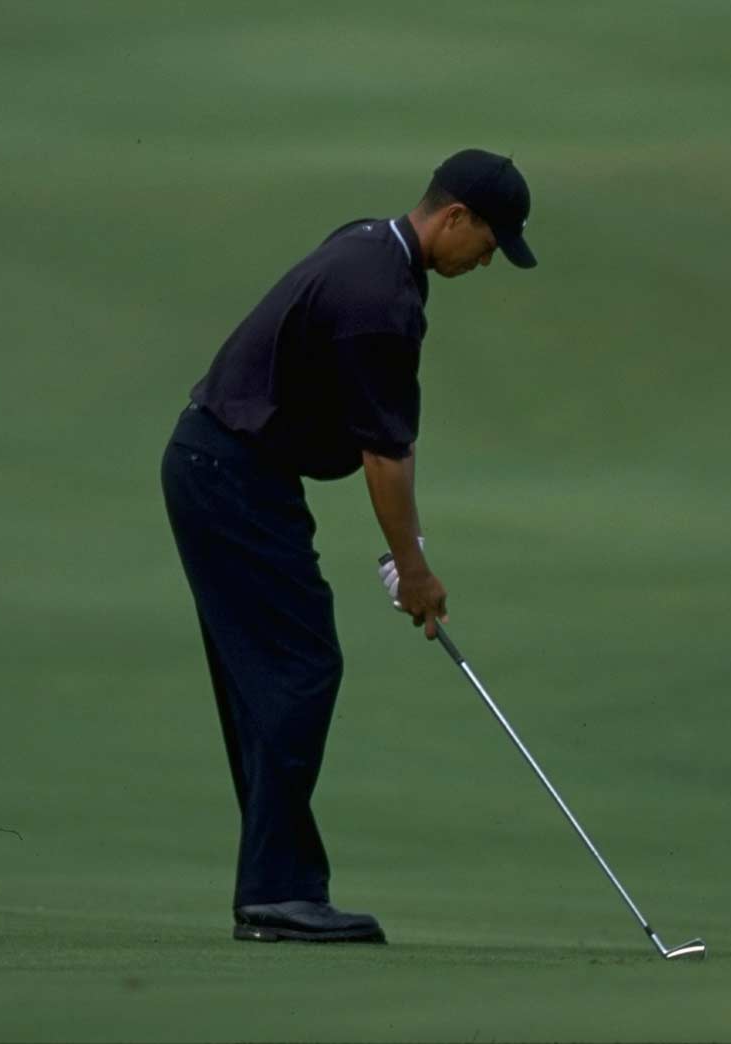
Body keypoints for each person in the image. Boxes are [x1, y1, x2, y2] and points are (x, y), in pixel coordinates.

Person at [160, 148, 537, 943]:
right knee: (299, 669)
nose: (489, 260)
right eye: (491, 242)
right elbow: (386, 455)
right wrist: (415, 570)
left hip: (225, 469)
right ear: (455, 218)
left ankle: (276, 887)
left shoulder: (369, 244)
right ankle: (277, 893)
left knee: (273, 677)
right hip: (230, 474)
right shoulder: (383, 302)